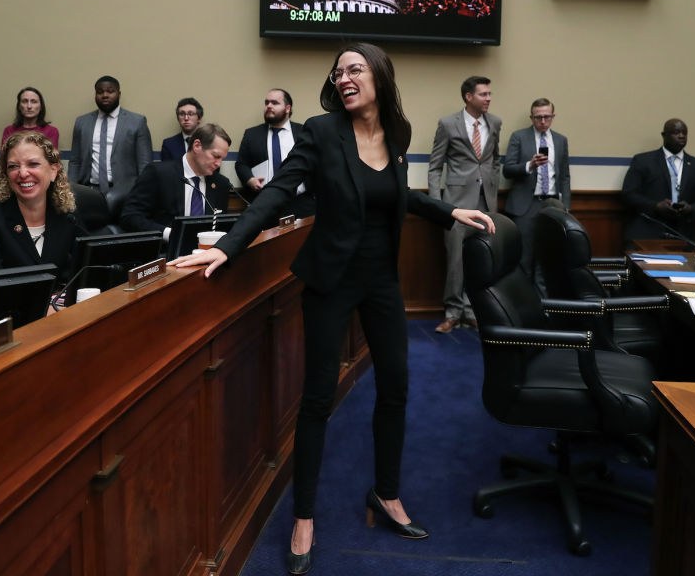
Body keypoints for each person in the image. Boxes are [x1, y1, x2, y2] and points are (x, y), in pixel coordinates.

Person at [168, 43, 494, 574]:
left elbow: (398, 195)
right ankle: (303, 517)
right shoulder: (319, 132)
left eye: (355, 69)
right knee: (318, 397)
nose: (344, 78)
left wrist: (448, 209)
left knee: (396, 386)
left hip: (382, 281)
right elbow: (276, 193)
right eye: (338, 71)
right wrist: (228, 246)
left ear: (379, 77)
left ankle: (385, 493)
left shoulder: (398, 134)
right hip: (331, 281)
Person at [427, 76, 501, 333]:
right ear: (469, 97)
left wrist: (493, 185)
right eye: (484, 94)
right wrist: (437, 205)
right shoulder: (448, 124)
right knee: (455, 261)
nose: (489, 98)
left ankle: (471, 312)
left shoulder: (495, 123)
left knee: (479, 260)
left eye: (490, 94)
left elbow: (495, 159)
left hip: (486, 203)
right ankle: (452, 313)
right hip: (456, 205)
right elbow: (435, 166)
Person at [0, 131, 85, 284]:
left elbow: (88, 266)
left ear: (53, 171)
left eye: (33, 164)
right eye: (13, 166)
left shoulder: (66, 213)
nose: (23, 173)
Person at [503, 98, 571, 296]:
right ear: (531, 117)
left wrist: (565, 205)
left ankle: (545, 307)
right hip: (525, 206)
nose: (542, 121)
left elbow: (565, 176)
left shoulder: (560, 140)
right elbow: (507, 170)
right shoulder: (519, 137)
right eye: (538, 117)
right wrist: (529, 165)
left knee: (547, 258)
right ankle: (524, 307)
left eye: (546, 117)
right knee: (523, 259)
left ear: (553, 116)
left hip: (552, 205)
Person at [121, 123, 232, 240]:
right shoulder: (159, 173)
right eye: (215, 156)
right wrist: (169, 234)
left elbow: (220, 226)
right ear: (197, 146)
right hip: (166, 251)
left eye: (222, 159)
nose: (218, 164)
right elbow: (130, 218)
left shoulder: (221, 183)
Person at [622, 119, 695, 245]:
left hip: (684, 235)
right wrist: (655, 206)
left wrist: (691, 208)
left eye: (684, 133)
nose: (681, 136)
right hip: (647, 233)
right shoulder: (643, 161)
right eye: (676, 132)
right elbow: (628, 194)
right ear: (664, 135)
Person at [234, 89, 315, 225]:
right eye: (267, 103)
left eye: (274, 103)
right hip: (265, 202)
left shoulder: (303, 132)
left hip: (301, 201)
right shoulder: (252, 134)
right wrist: (250, 180)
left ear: (287, 108)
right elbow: (241, 164)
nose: (269, 106)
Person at [68, 76, 153, 191]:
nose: (105, 95)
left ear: (119, 94)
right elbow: (75, 161)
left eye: (110, 91)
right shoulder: (82, 122)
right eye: (100, 92)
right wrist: (70, 188)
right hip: (89, 189)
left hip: (125, 191)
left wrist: (143, 191)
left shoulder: (137, 121)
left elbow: (144, 162)